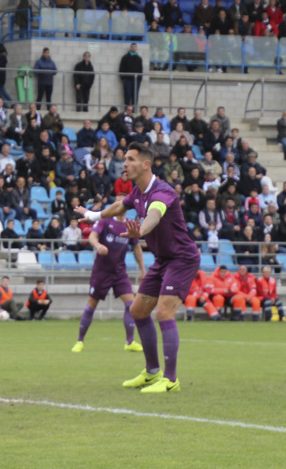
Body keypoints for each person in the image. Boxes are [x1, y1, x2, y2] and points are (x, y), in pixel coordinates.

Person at [74, 142, 199, 393]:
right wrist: (93, 215)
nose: (125, 163)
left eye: (130, 159)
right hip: (163, 260)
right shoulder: (137, 191)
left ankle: (171, 380)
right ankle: (152, 373)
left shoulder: (162, 192)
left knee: (164, 312)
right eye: (125, 159)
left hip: (182, 259)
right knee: (138, 311)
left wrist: (140, 230)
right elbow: (120, 206)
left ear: (145, 164)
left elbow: (154, 215)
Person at [72, 198, 146, 353]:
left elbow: (137, 247)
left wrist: (143, 270)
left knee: (130, 305)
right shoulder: (105, 221)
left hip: (119, 272)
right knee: (91, 305)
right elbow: (92, 236)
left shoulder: (130, 224)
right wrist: (98, 245)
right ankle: (80, 341)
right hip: (101, 272)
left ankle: (130, 342)